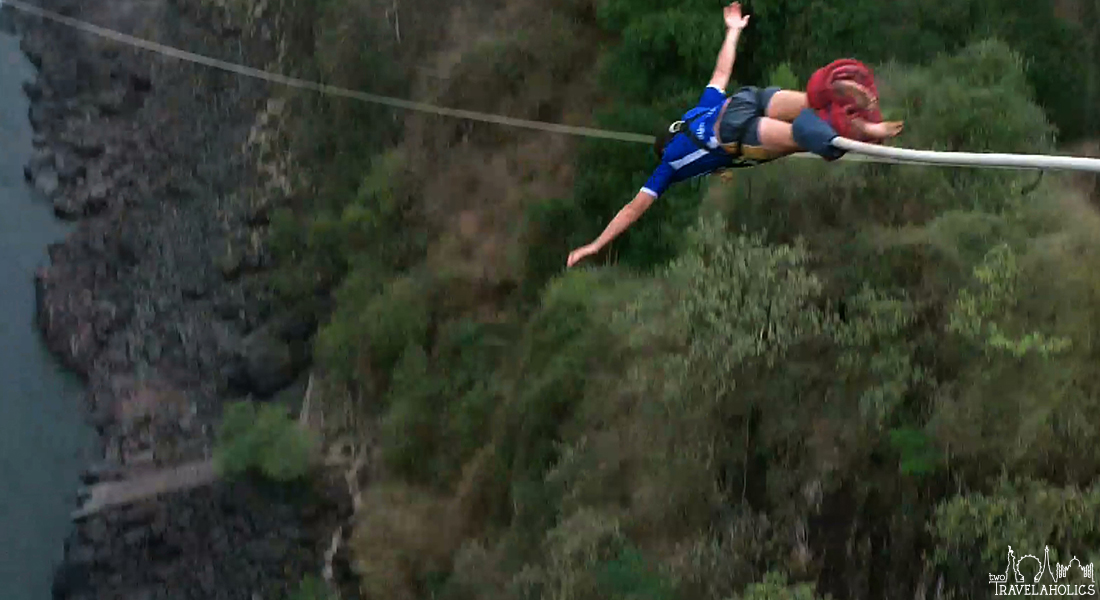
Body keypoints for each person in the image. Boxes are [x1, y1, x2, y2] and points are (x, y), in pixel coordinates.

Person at [565, 2, 904, 268]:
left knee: (801, 136)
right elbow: (722, 71)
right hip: (744, 99)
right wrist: (733, 30)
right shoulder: (695, 112)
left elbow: (631, 210)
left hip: (735, 132)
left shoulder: (668, 164)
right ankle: (844, 99)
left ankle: (861, 131)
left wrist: (596, 244)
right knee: (811, 101)